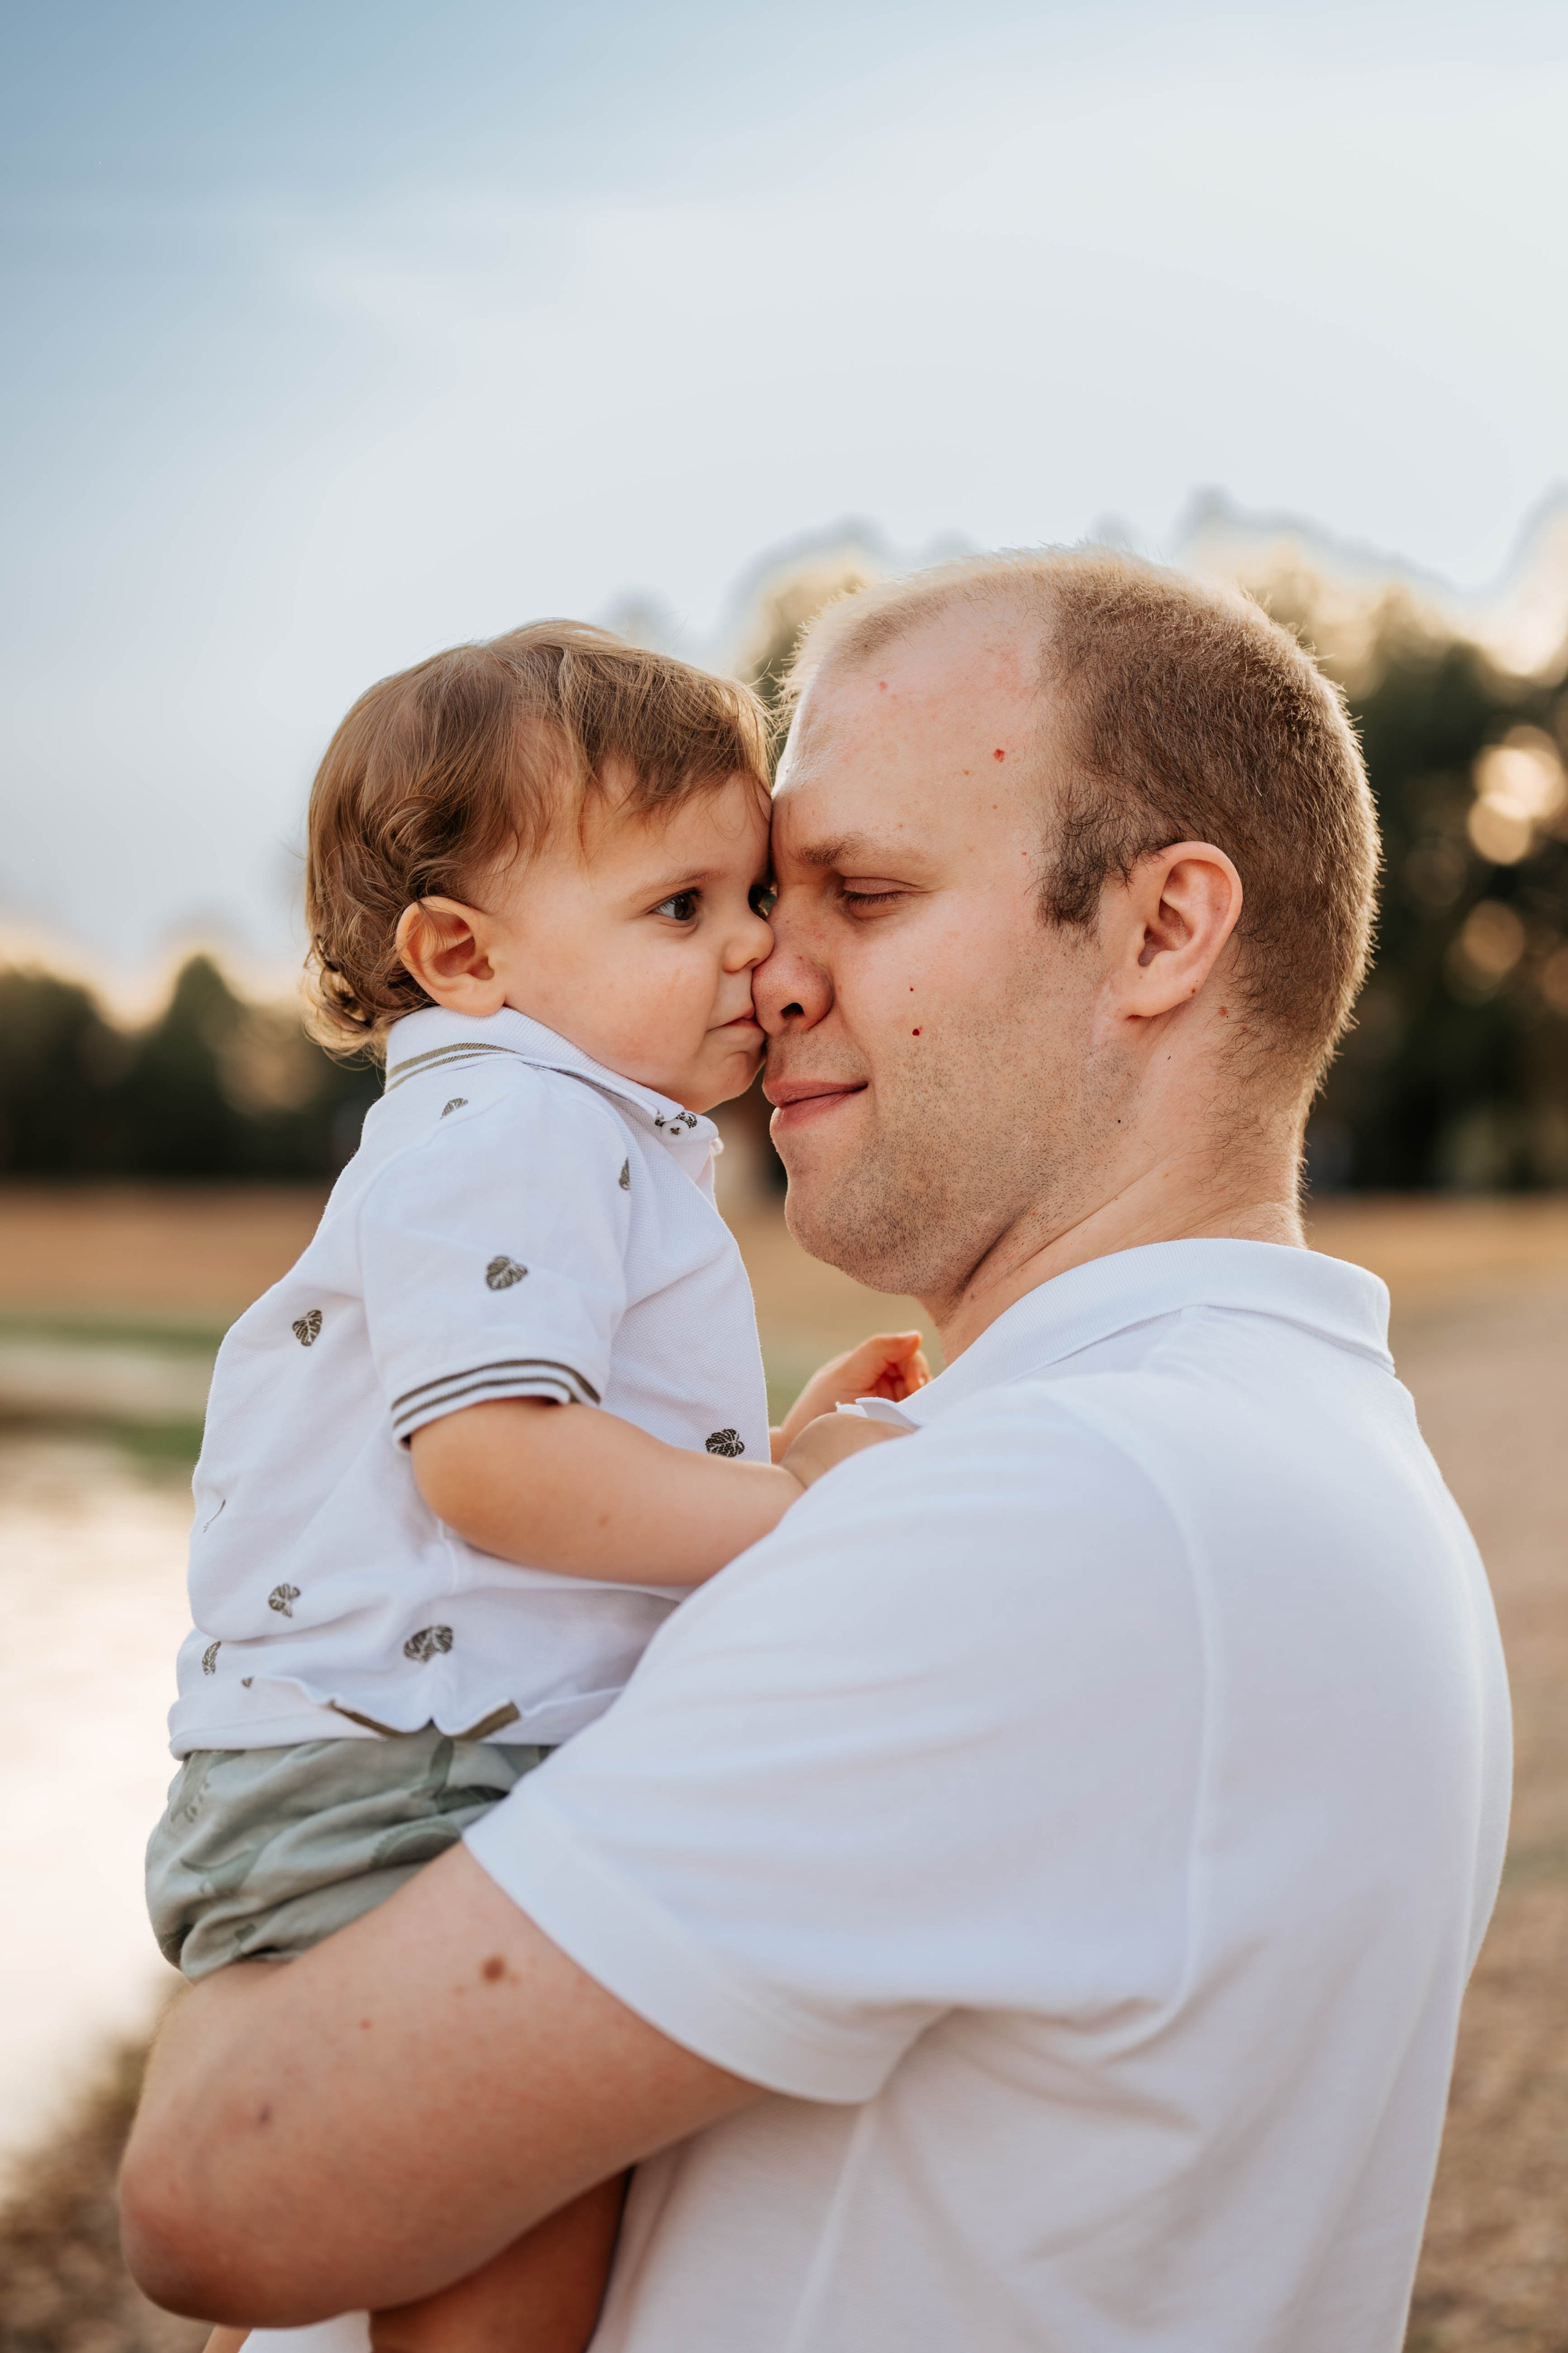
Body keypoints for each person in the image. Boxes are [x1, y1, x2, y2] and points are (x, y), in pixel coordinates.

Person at [123, 551, 1511, 2353]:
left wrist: (262, 1858)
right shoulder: (1256, 1446)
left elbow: (227, 2188)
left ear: (1163, 932)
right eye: (751, 896)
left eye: (860, 889)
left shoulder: (1066, 1508)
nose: (768, 967)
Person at [140, 621, 925, 2353]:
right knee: (514, 2246)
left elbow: (564, 1447)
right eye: (682, 908)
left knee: (435, 2235)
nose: (759, 952)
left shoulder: (564, 1123)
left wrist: (760, 1456)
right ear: (462, 953)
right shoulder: (518, 1123)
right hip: (405, 1776)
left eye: (756, 896)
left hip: (393, 1756)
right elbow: (494, 1466)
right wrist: (805, 1521)